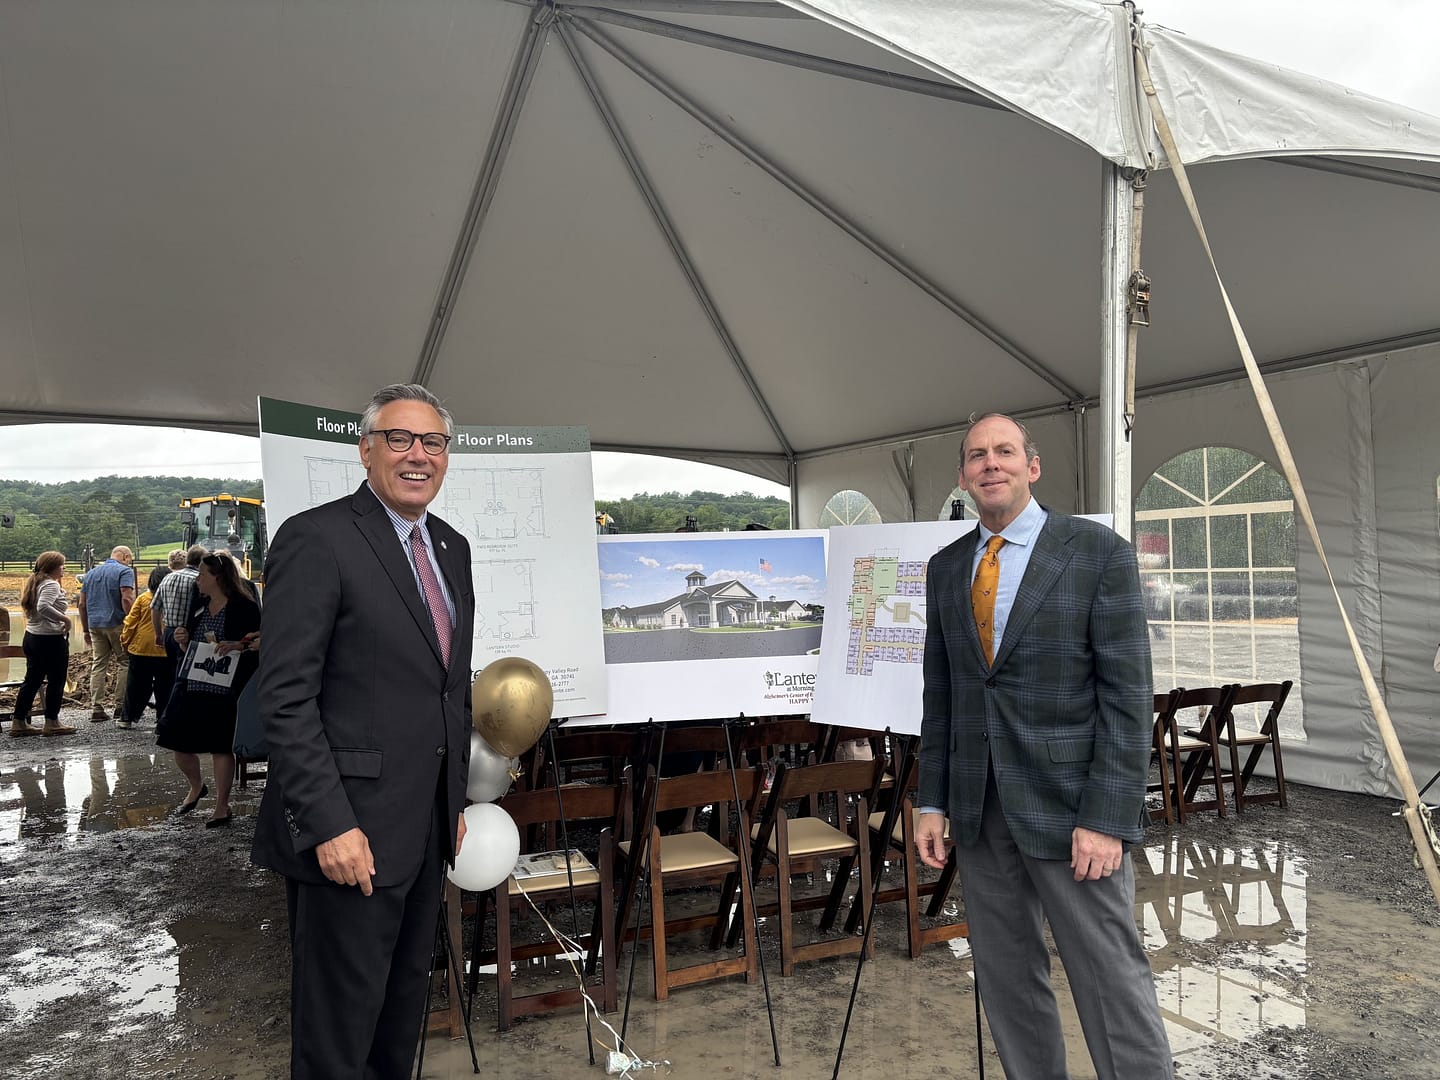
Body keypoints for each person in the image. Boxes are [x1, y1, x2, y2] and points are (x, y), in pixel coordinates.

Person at [916, 413, 1171, 1080]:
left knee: (1110, 977)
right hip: (978, 808)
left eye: (1004, 452)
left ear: (1032, 467)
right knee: (1005, 978)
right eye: (977, 455)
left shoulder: (1097, 554)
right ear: (963, 476)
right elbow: (941, 696)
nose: (989, 464)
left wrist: (1107, 819)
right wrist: (931, 800)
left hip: (1072, 812)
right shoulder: (946, 569)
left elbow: (1126, 698)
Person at [251, 383, 475, 1079]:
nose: (418, 455)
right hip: (347, 836)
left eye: (432, 442)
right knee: (337, 1036)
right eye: (400, 439)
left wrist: (455, 800)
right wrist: (327, 824)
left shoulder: (450, 546)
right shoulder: (317, 538)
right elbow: (284, 698)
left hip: (424, 830)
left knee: (398, 1018)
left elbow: (448, 689)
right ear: (366, 449)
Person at [157, 553, 261, 827]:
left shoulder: (244, 607)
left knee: (220, 746)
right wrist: (182, 639)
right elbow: (190, 643)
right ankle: (196, 785)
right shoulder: (199, 603)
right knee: (175, 740)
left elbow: (256, 642)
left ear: (217, 577)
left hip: (225, 687)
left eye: (202, 574)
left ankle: (221, 806)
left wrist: (237, 645)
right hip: (193, 682)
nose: (198, 579)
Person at [9, 552, 77, 737]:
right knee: (56, 680)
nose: (64, 569)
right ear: (53, 567)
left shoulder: (35, 583)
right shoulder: (50, 584)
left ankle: (19, 721)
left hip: (32, 637)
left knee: (32, 680)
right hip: (50, 639)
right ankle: (52, 721)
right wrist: (65, 619)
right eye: (62, 565)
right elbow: (43, 606)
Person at [77, 544, 136, 722]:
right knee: (125, 662)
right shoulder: (125, 572)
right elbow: (126, 598)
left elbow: (81, 604)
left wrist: (86, 629)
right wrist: (134, 620)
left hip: (95, 625)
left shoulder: (91, 574)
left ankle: (97, 708)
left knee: (99, 664)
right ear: (125, 557)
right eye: (130, 559)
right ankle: (120, 706)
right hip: (117, 623)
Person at [120, 566, 174, 730]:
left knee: (135, 685)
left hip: (141, 649)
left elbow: (130, 623)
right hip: (165, 649)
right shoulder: (173, 599)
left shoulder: (143, 598)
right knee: (165, 687)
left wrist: (125, 642)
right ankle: (162, 721)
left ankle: (127, 718)